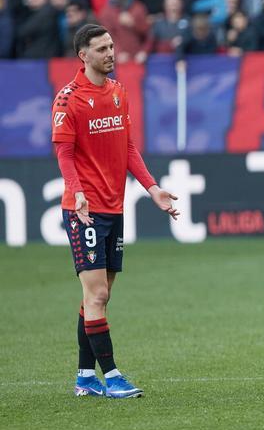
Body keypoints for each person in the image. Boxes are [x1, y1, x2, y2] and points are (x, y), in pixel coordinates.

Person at [52, 24, 180, 399]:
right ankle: (112, 376)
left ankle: (84, 377)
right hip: (84, 209)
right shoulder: (68, 99)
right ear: (84, 56)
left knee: (100, 294)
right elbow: (63, 152)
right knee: (97, 297)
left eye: (112, 46)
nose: (111, 53)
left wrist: (152, 188)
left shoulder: (119, 92)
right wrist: (76, 193)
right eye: (103, 48)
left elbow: (128, 148)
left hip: (113, 206)